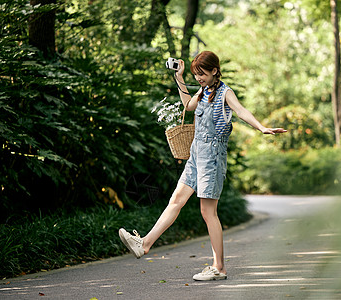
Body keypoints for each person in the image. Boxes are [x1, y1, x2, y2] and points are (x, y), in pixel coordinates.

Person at [119, 51, 286, 281]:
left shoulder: (225, 92)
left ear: (214, 70)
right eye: (196, 74)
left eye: (202, 73)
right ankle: (144, 244)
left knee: (208, 213)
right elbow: (188, 105)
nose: (198, 78)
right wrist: (179, 76)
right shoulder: (203, 90)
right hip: (196, 153)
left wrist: (261, 127)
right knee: (176, 200)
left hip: (213, 157)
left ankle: (219, 267)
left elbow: (240, 110)